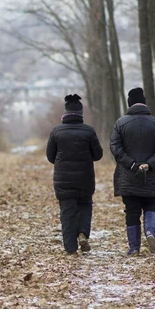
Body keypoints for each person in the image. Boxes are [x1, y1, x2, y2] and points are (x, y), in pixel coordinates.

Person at [110, 87, 155, 256]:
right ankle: (150, 233)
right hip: (151, 174)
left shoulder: (120, 123)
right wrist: (149, 165)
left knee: (131, 210)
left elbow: (115, 148)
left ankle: (134, 248)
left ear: (129, 104)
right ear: (144, 103)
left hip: (128, 175)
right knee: (151, 205)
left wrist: (133, 165)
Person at [46, 94, 103, 254]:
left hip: (63, 181)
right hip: (85, 179)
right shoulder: (89, 131)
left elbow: (50, 157)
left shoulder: (56, 132)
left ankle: (70, 248)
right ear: (80, 114)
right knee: (85, 206)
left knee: (67, 213)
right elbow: (98, 155)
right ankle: (83, 233)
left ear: (65, 113)